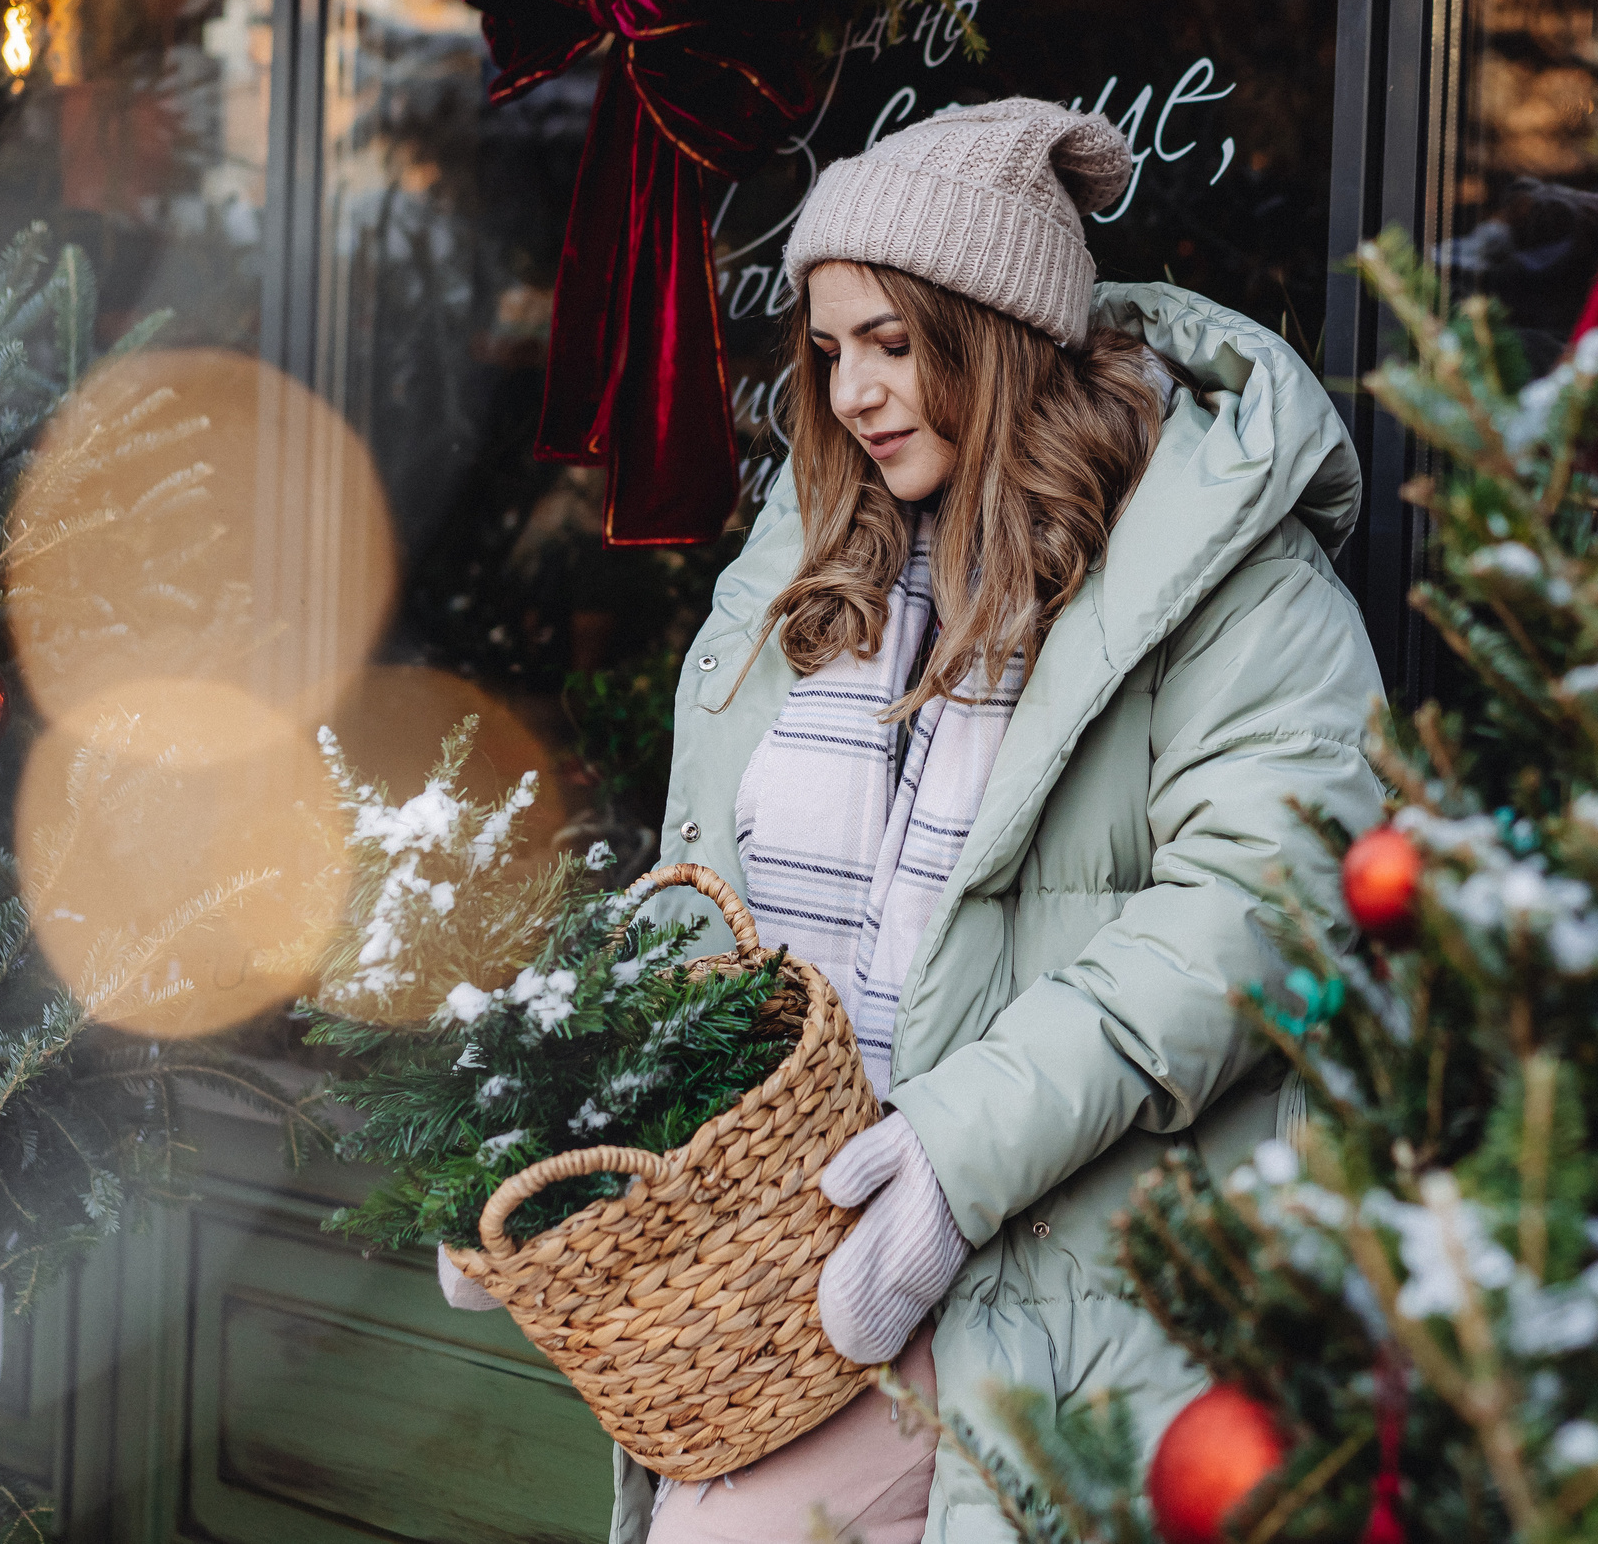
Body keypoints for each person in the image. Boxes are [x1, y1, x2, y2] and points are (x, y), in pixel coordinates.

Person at [458, 97, 1385, 1544]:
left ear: (997, 334)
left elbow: (1266, 913)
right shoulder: (828, 571)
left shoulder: (1236, 589)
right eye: (828, 354)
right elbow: (717, 907)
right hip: (785, 1272)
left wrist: (959, 1154)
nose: (853, 394)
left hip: (1060, 1250)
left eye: (893, 345)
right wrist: (589, 1144)